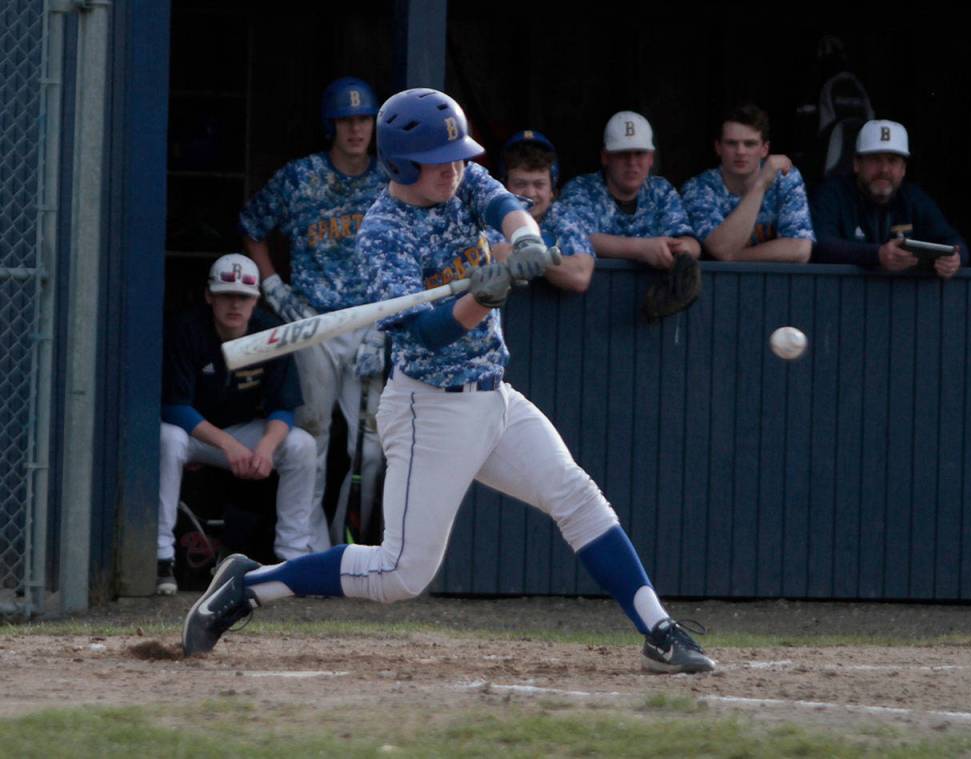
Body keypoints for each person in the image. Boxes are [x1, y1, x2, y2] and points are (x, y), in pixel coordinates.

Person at [183, 89, 716, 675]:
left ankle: (659, 631)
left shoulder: (462, 179)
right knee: (400, 574)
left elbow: (504, 204)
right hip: (429, 407)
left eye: (457, 158)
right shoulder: (383, 231)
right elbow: (426, 333)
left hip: (494, 395)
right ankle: (249, 584)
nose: (454, 169)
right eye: (438, 162)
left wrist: (526, 241)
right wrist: (483, 295)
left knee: (578, 497)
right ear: (402, 164)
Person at [239, 76, 390, 551]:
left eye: (363, 119)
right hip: (313, 319)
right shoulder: (300, 176)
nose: (356, 130)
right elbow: (252, 225)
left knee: (370, 449)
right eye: (346, 121)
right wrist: (273, 287)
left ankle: (352, 547)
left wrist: (384, 326)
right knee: (313, 437)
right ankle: (307, 548)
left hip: (369, 321)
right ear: (331, 125)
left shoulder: (392, 178)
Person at [157, 254, 315, 595]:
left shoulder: (270, 331)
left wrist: (266, 448)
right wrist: (229, 446)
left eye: (243, 296)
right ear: (209, 296)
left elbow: (284, 407)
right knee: (166, 438)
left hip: (244, 431)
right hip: (196, 433)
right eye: (226, 294)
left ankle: (292, 559)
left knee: (302, 445)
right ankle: (161, 559)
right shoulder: (187, 328)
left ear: (255, 300)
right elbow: (174, 408)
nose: (235, 304)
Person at [811, 119, 968, 278]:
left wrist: (955, 259)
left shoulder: (913, 197)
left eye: (892, 161)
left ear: (903, 169)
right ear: (857, 164)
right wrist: (877, 255)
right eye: (875, 159)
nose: (884, 169)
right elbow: (819, 244)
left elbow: (953, 241)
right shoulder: (832, 193)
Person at [559, 111, 700, 269]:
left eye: (639, 153)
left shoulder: (661, 190)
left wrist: (678, 249)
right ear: (605, 157)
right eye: (622, 154)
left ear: (651, 158)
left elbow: (692, 244)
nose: (632, 162)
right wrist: (641, 249)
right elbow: (578, 236)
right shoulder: (581, 189)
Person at [681, 104, 814, 263]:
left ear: (764, 149)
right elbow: (721, 248)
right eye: (731, 143)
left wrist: (733, 257)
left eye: (750, 144)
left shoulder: (784, 177)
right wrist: (760, 185)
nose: (741, 152)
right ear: (718, 148)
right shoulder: (698, 188)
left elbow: (800, 249)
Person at [488, 130, 594, 292]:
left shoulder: (563, 215)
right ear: (504, 187)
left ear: (552, 190)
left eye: (539, 184)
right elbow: (497, 256)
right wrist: (549, 259)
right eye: (520, 184)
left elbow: (580, 275)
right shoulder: (490, 215)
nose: (530, 193)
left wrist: (533, 255)